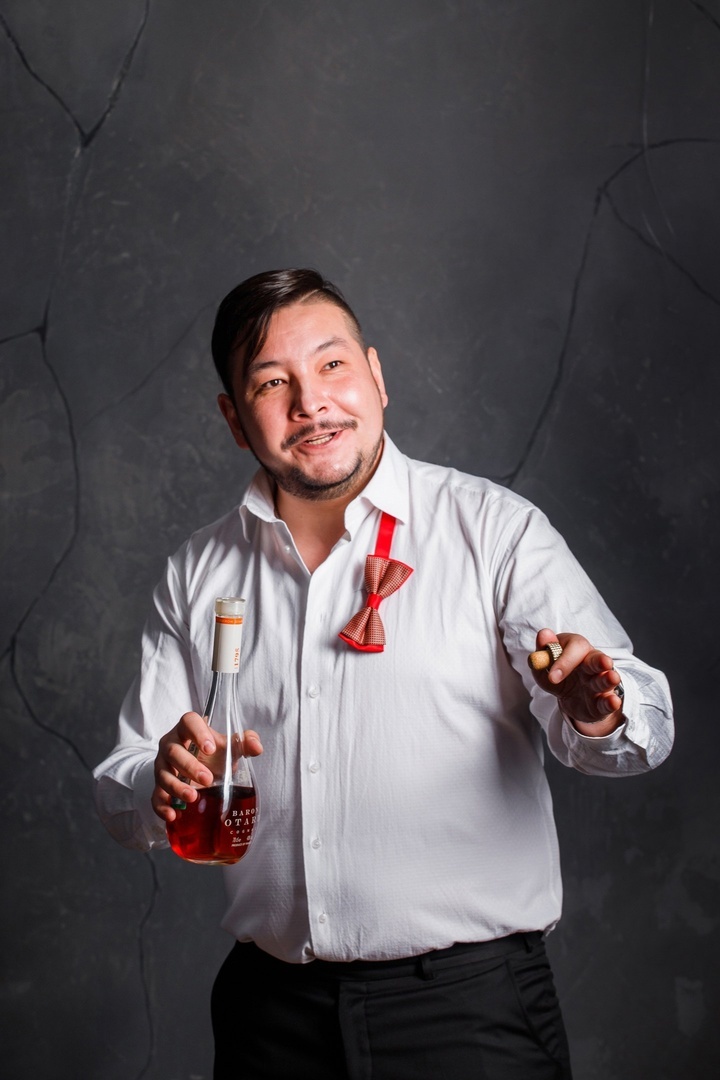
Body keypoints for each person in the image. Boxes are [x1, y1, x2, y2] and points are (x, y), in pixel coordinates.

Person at [93, 268, 674, 1080]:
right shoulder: (197, 572)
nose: (311, 403)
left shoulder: (492, 531)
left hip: (470, 1015)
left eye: (332, 365)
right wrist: (156, 779)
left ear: (376, 376)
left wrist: (597, 704)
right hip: (270, 1019)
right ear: (234, 419)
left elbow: (643, 733)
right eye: (272, 383)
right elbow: (122, 795)